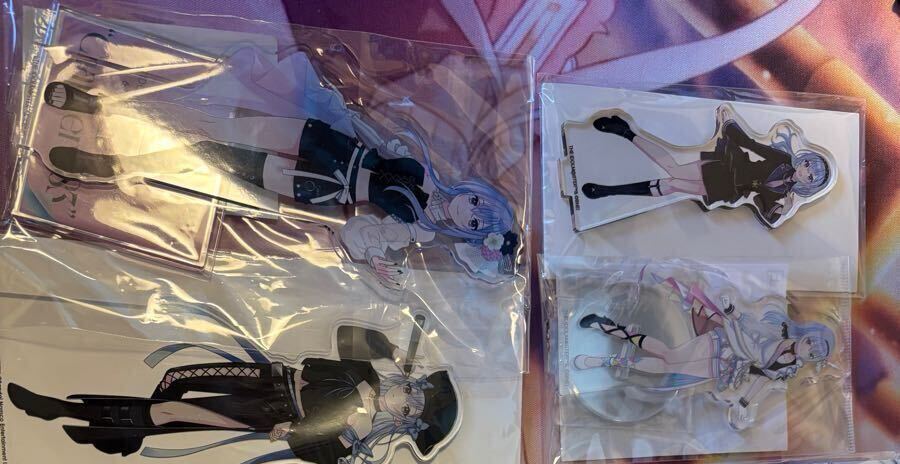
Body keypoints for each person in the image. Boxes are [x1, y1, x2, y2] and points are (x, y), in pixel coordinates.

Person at [41, 58, 520, 286]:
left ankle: (110, 165)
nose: (469, 208)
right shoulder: (424, 168)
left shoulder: (416, 226)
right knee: (211, 123)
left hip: (317, 186)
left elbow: (361, 234)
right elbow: (376, 136)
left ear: (469, 234)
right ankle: (101, 101)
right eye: (480, 204)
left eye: (476, 221)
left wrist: (378, 259)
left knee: (207, 163)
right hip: (321, 141)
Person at [7, 325, 459, 464]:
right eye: (413, 391)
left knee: (171, 411)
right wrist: (392, 352)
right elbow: (346, 337)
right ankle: (129, 434)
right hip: (268, 377)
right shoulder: (366, 373)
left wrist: (337, 436)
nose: (404, 398)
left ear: (404, 421)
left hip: (266, 412)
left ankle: (63, 409)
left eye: (411, 409)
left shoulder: (359, 437)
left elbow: (308, 452)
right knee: (176, 379)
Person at [574, 294, 835, 430]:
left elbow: (761, 383)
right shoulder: (778, 330)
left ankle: (608, 360)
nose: (809, 348)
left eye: (814, 353)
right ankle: (609, 329)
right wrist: (732, 311)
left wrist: (744, 404)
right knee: (671, 356)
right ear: (808, 334)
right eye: (812, 342)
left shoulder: (787, 370)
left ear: (813, 360)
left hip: (725, 370)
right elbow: (751, 325)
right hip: (724, 343)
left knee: (667, 368)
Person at [580, 107, 831, 228]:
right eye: (808, 164)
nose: (805, 171)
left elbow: (768, 214)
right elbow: (753, 145)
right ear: (804, 159)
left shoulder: (785, 195)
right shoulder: (782, 159)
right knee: (674, 170)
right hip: (727, 169)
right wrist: (729, 123)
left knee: (672, 186)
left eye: (810, 176)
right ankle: (625, 133)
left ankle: (607, 190)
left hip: (729, 191)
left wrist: (783, 207)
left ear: (809, 185)